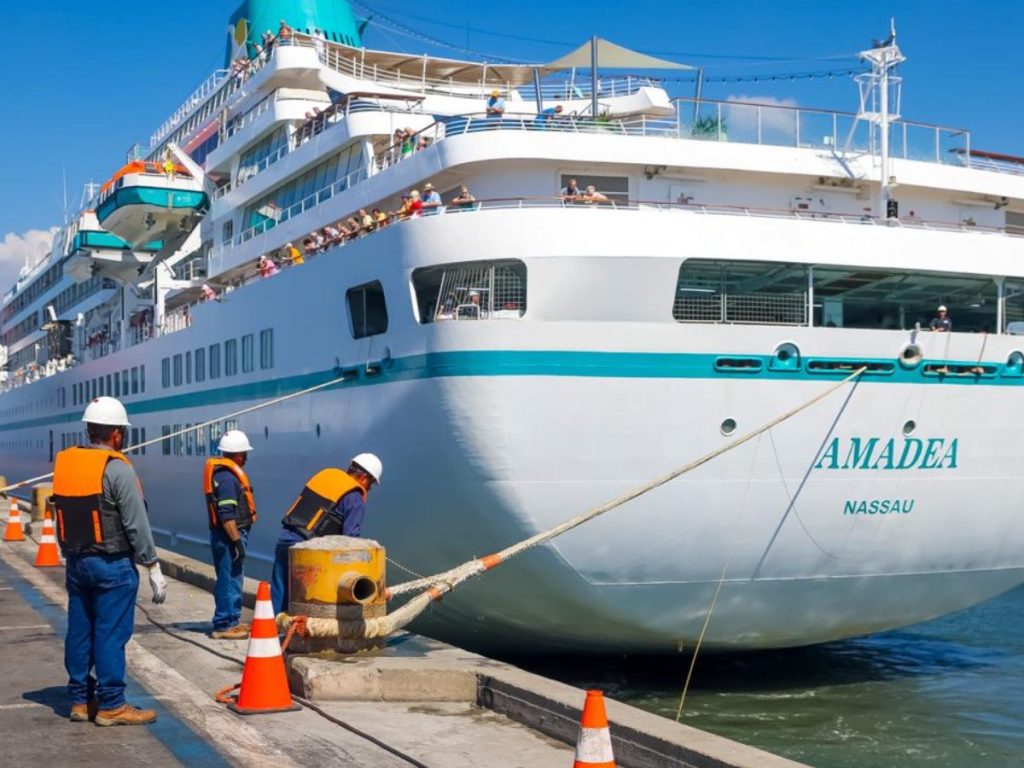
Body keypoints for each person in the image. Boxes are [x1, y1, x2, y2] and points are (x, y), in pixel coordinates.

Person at [53, 396, 166, 726]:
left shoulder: (66, 463)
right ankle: (112, 704)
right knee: (110, 634)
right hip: (112, 564)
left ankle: (79, 700)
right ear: (117, 434)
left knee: (80, 630)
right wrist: (153, 565)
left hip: (76, 562)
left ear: (89, 430)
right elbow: (136, 522)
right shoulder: (116, 468)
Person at [270, 454, 383, 615]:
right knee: (305, 600)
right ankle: (293, 636)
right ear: (364, 477)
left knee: (279, 591)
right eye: (371, 483)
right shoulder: (354, 497)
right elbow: (350, 540)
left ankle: (271, 633)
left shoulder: (327, 475)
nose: (369, 488)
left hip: (286, 538)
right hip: (309, 553)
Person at [204, 430, 256, 640]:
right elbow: (226, 515)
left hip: (223, 537)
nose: (246, 457)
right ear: (238, 455)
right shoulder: (227, 480)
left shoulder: (223, 475)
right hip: (228, 538)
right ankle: (224, 624)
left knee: (232, 578)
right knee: (230, 579)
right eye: (244, 453)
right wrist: (236, 542)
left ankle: (231, 620)